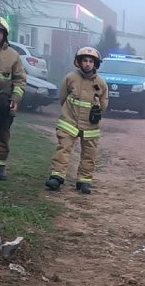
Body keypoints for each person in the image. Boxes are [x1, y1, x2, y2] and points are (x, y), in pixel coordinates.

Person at [45, 46, 108, 194]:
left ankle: (84, 181)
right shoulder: (70, 78)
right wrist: (68, 113)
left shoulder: (101, 83)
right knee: (63, 149)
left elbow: (104, 103)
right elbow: (63, 97)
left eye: (90, 61)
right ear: (79, 62)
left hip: (91, 126)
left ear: (95, 64)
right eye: (85, 60)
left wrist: (97, 110)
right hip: (69, 122)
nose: (87, 64)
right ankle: (57, 177)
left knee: (89, 153)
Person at [0, 16, 26, 181]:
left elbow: (20, 80)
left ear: (5, 34)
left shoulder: (13, 55)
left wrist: (15, 99)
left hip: (4, 104)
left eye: (0, 31)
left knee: (2, 134)